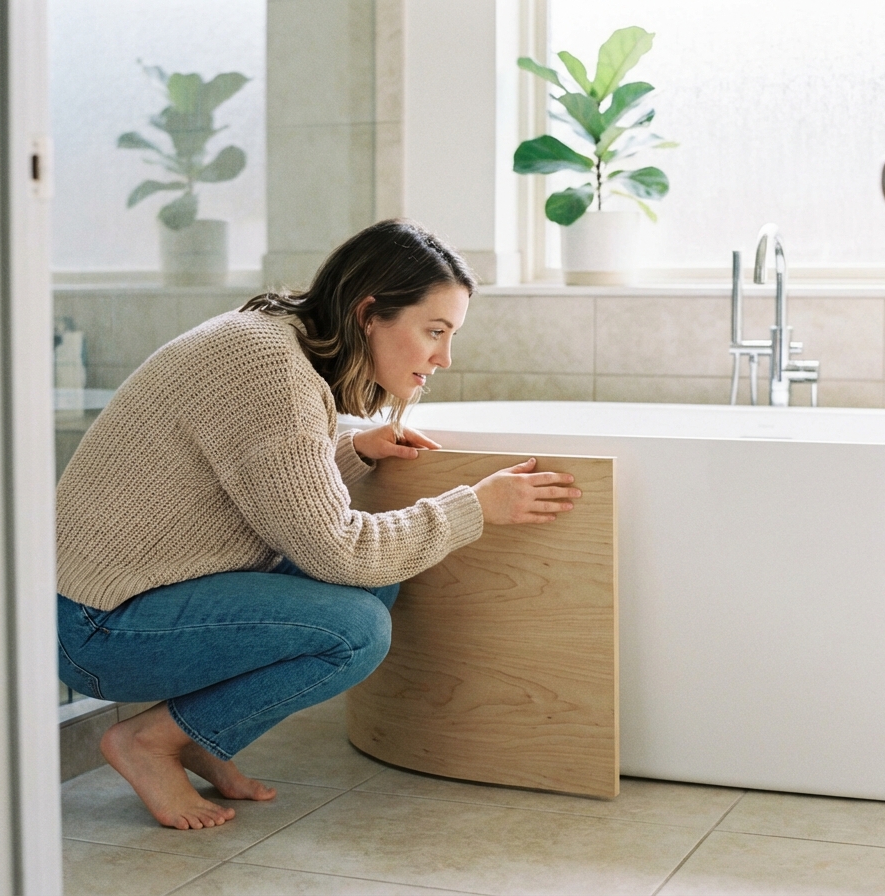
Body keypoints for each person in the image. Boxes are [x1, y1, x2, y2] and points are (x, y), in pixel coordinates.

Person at [55, 219, 583, 830]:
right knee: (357, 627)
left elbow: (256, 474)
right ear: (368, 314)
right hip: (97, 627)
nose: (444, 357)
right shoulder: (272, 373)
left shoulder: (275, 342)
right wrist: (476, 506)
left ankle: (197, 736)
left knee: (374, 585)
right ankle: (147, 741)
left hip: (127, 599)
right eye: (434, 331)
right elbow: (339, 552)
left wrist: (354, 450)